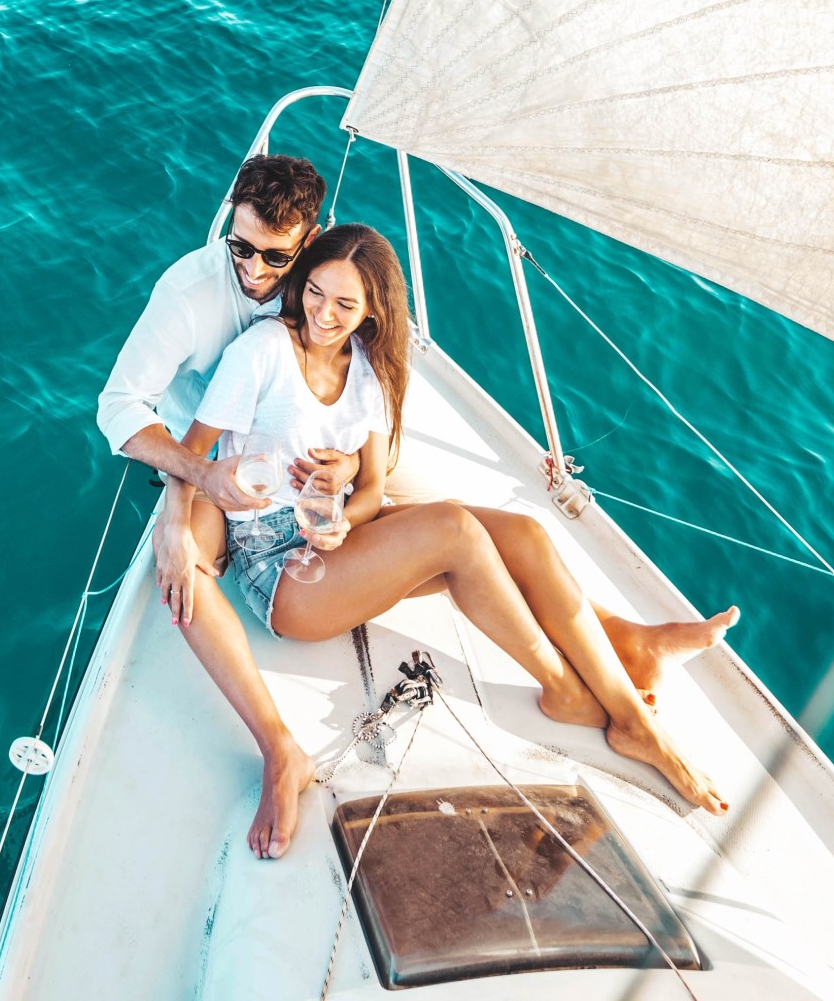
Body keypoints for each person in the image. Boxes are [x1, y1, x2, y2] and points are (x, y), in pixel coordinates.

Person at [101, 155, 736, 855]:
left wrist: (348, 504)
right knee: (437, 533)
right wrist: (181, 504)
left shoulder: (356, 356)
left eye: (277, 258)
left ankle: (624, 645)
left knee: (516, 533)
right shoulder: (221, 318)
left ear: (314, 241)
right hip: (241, 504)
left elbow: (370, 482)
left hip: (315, 504)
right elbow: (142, 419)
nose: (254, 268)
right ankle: (570, 694)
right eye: (241, 247)